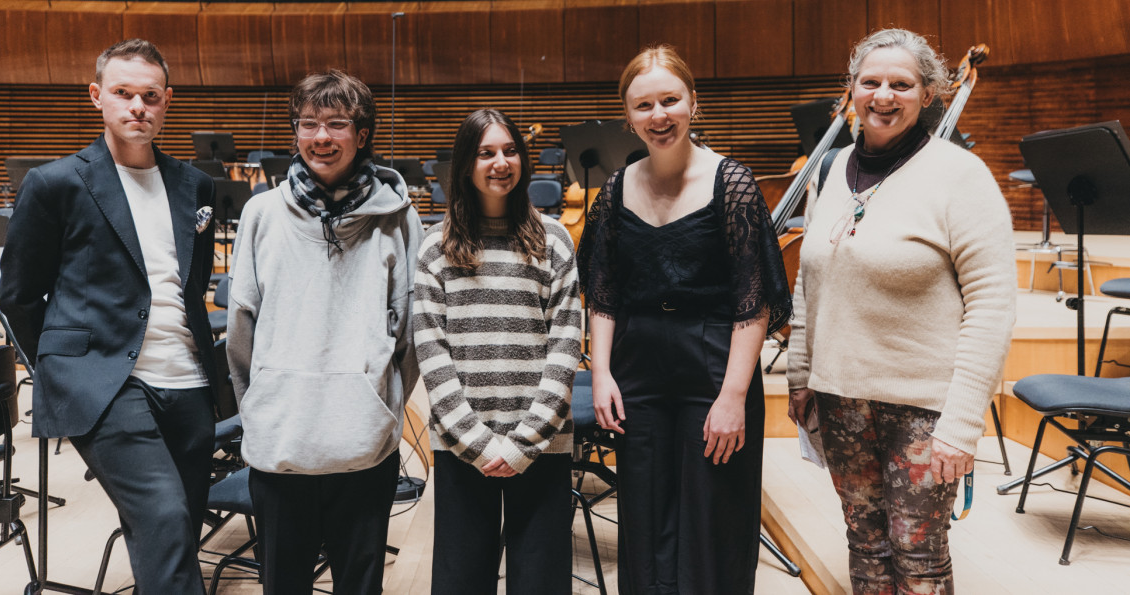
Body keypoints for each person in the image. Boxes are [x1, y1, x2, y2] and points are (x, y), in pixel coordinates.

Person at [786, 28, 1016, 595]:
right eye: (870, 82)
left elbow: (991, 305)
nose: (883, 96)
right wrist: (800, 374)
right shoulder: (830, 168)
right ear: (851, 89)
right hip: (840, 397)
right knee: (865, 544)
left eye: (901, 84)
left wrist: (962, 424)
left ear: (928, 93)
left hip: (924, 407)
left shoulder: (960, 175)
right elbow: (809, 281)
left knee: (918, 554)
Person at [0, 38, 219, 593]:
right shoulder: (55, 183)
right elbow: (19, 296)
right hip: (104, 383)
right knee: (165, 517)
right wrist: (64, 372)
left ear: (167, 100)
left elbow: (192, 288)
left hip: (189, 381)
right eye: (123, 93)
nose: (138, 106)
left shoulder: (196, 185)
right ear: (97, 96)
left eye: (151, 95)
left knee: (177, 531)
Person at [578, 45, 792, 594]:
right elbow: (603, 293)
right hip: (638, 366)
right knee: (644, 517)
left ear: (693, 102)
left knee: (711, 519)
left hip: (715, 363)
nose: (659, 115)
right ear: (628, 116)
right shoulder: (615, 190)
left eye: (670, 100)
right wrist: (601, 373)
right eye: (644, 105)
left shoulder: (732, 183)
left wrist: (733, 397)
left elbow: (753, 301)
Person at [226, 68, 423, 595]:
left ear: (362, 135)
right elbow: (241, 331)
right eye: (308, 123)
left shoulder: (398, 219)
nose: (321, 137)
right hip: (281, 441)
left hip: (364, 444)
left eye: (337, 123)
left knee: (359, 586)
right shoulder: (261, 213)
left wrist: (380, 406)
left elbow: (409, 335)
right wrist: (262, 407)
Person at [413, 108, 582, 595]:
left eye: (510, 151)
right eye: (486, 153)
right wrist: (480, 443)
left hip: (543, 443)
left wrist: (523, 441)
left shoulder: (553, 240)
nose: (500, 163)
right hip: (462, 446)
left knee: (541, 582)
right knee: (461, 581)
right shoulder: (435, 247)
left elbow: (566, 346)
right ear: (466, 163)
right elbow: (432, 354)